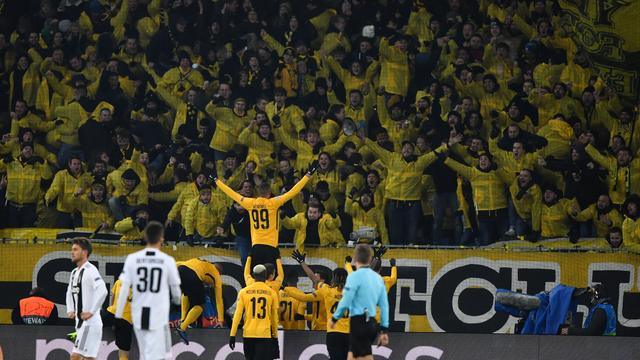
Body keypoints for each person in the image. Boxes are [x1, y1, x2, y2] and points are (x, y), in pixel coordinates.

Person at [214, 160, 318, 268]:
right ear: (269, 193)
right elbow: (293, 191)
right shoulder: (274, 203)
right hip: (271, 246)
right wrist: (308, 175)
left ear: (259, 192)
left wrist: (217, 181)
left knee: (257, 275)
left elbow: (231, 193)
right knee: (272, 276)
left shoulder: (250, 203)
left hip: (256, 246)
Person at [116, 221, 182, 360]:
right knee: (160, 352)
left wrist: (118, 313)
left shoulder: (132, 259)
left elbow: (123, 288)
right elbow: (175, 288)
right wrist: (177, 302)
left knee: (145, 351)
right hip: (158, 311)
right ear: (161, 238)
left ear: (145, 236)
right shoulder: (167, 260)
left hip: (139, 312)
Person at [329, 244, 389, 360]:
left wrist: (335, 318)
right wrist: (384, 330)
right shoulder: (378, 278)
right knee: (365, 355)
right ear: (369, 259)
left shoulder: (354, 277)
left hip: (358, 322)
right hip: (371, 323)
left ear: (356, 258)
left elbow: (346, 300)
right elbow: (384, 305)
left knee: (354, 356)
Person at [287, 251, 350, 360]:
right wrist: (348, 264)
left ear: (333, 278)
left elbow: (310, 286)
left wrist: (286, 289)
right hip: (349, 334)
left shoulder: (326, 290)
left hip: (333, 334)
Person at [65, 238, 108, 360]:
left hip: (89, 324)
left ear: (84, 253)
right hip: (81, 324)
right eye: (72, 249)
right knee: (88, 358)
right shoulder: (74, 272)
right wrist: (70, 309)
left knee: (76, 356)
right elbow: (69, 292)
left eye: (75, 250)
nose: (72, 252)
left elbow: (102, 290)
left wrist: (91, 311)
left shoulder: (90, 270)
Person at [229, 264, 280, 360]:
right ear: (266, 276)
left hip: (248, 333)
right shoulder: (272, 292)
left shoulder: (244, 292)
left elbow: (238, 314)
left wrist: (232, 334)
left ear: (253, 275)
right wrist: (275, 336)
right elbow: (274, 317)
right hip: (264, 334)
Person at [175, 257, 225, 344]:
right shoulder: (216, 274)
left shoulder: (200, 261)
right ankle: (182, 328)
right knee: (200, 305)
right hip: (193, 275)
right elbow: (219, 300)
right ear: (219, 273)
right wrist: (220, 319)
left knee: (186, 293)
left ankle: (183, 319)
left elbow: (180, 263)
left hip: (179, 270)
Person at [105, 279, 132, 360]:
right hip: (126, 320)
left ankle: (80, 333)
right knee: (124, 352)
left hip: (112, 313)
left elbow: (112, 299)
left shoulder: (119, 281)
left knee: (92, 324)